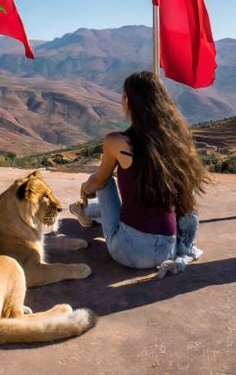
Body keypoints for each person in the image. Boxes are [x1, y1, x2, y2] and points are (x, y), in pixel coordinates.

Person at [70, 71, 209, 277]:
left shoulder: (117, 142)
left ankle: (85, 212)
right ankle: (91, 211)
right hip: (167, 250)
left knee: (103, 181)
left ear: (128, 101)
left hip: (129, 253)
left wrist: (84, 189)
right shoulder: (175, 141)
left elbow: (99, 181)